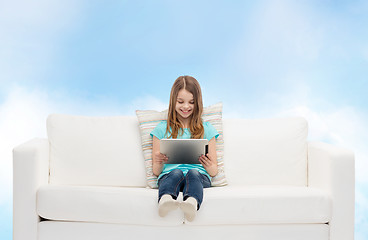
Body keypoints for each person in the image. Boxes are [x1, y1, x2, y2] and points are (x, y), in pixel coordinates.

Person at [150, 75, 219, 222]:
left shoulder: (207, 130)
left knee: (193, 173)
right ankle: (165, 200)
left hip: (199, 177)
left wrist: (209, 164)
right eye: (181, 102)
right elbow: (156, 171)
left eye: (191, 102)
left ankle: (192, 203)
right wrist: (159, 161)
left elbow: (214, 171)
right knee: (176, 172)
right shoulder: (162, 129)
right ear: (173, 101)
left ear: (197, 103)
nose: (186, 107)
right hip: (170, 176)